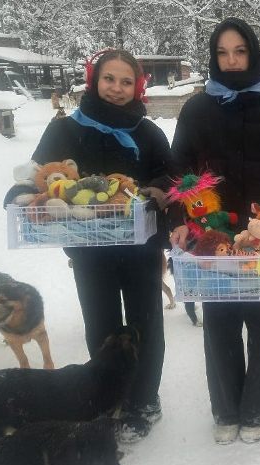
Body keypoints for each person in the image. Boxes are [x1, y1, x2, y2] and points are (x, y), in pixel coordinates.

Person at [169, 18, 260, 445]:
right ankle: (226, 408)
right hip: (212, 235)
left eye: (239, 51)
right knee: (220, 323)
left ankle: (259, 407)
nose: (231, 61)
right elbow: (180, 169)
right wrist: (180, 221)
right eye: (222, 53)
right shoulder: (197, 108)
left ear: (252, 53)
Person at [25, 49, 174, 442]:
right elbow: (38, 176)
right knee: (101, 326)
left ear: (137, 87)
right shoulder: (64, 130)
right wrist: (23, 195)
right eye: (109, 79)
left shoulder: (147, 132)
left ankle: (144, 400)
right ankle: (110, 397)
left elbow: (170, 175)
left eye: (126, 82)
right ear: (94, 80)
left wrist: (155, 190)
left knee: (146, 325)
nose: (117, 89)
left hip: (141, 248)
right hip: (89, 251)